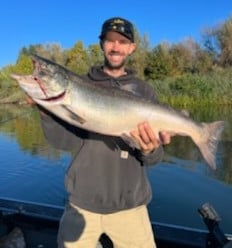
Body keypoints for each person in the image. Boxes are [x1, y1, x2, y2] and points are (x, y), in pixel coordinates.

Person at [38, 17, 171, 248]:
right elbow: (63, 141)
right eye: (110, 40)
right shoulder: (79, 84)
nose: (116, 46)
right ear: (101, 44)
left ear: (132, 48)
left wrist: (151, 150)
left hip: (131, 208)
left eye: (122, 41)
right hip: (81, 206)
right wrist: (46, 110)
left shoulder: (145, 91)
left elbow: (155, 158)